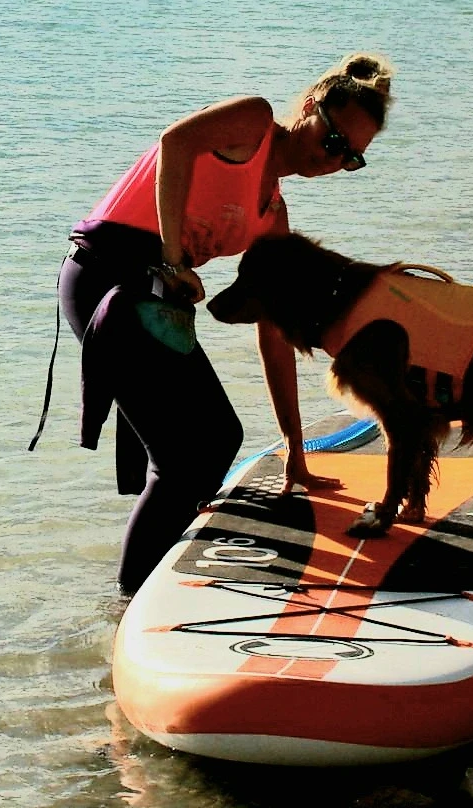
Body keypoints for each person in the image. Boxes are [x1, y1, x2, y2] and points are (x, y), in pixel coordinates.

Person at [55, 55, 393, 594]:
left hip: (155, 296)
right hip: (105, 279)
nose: (333, 161)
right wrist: (171, 257)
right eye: (333, 142)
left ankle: (155, 576)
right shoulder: (252, 124)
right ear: (309, 108)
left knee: (218, 439)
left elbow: (274, 335)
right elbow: (174, 143)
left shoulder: (272, 217)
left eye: (350, 159)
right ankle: (130, 601)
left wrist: (296, 452)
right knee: (186, 459)